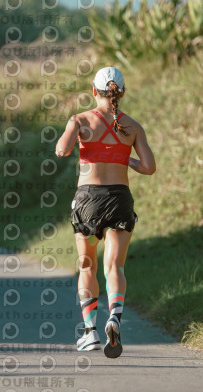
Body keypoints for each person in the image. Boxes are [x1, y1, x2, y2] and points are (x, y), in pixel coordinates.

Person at [55, 66, 156, 358]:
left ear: (93, 90)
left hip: (88, 199)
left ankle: (90, 331)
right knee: (115, 267)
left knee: (87, 265)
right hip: (120, 198)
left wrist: (75, 136)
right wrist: (123, 157)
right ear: (121, 92)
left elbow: (62, 149)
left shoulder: (80, 119)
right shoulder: (133, 126)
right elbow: (148, 167)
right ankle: (114, 316)